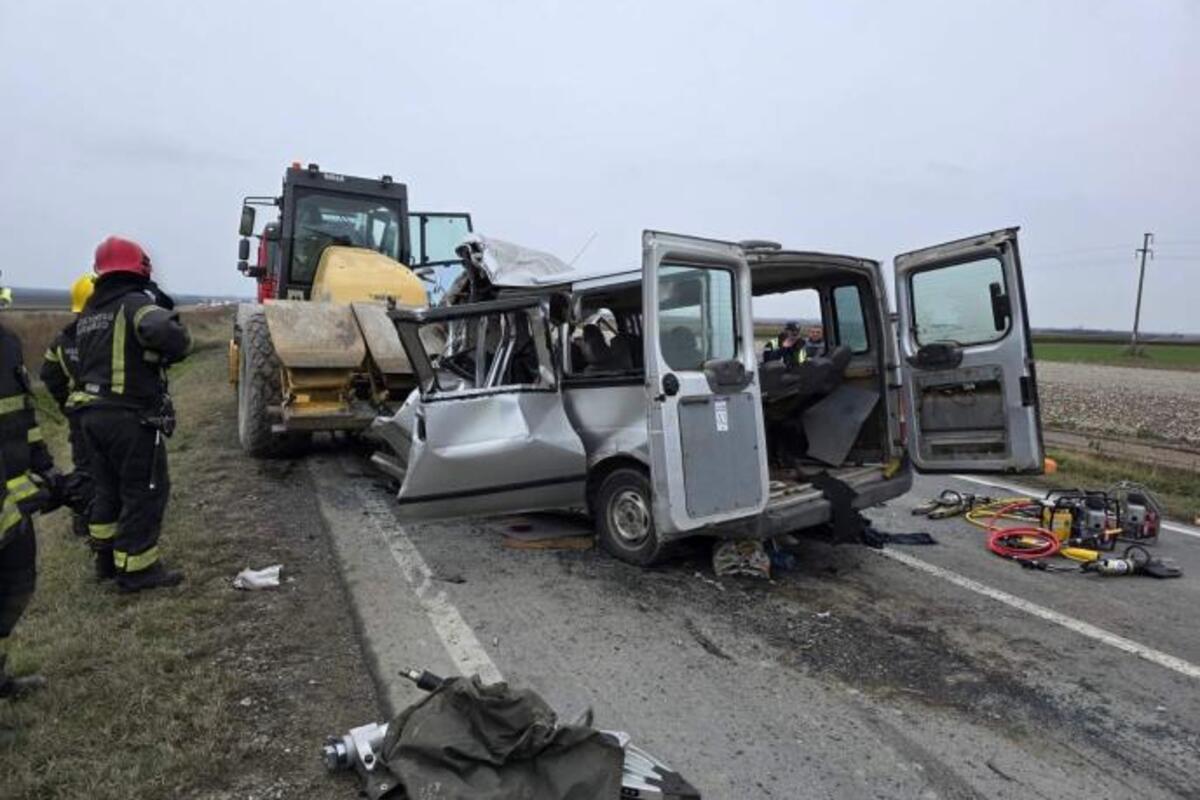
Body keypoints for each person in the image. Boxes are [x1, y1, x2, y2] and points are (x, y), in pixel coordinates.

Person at [74, 236, 191, 592]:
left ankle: (106, 561)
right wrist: (174, 346)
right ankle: (137, 569)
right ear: (139, 267)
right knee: (145, 490)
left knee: (107, 489)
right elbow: (165, 331)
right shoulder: (135, 303)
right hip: (127, 416)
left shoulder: (90, 314)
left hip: (90, 416)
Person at [0, 291, 61, 698]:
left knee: (16, 584)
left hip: (12, 494)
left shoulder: (7, 343)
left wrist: (43, 464)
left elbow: (23, 414)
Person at [39, 274, 96, 538]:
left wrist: (66, 403)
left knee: (85, 469)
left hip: (78, 414)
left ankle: (83, 519)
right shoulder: (106, 334)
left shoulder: (62, 339)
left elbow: (49, 374)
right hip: (110, 411)